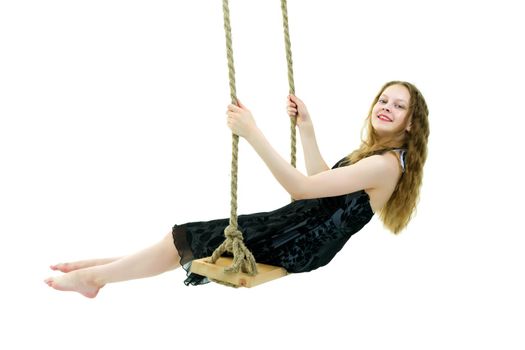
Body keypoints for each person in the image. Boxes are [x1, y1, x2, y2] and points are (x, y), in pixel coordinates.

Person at [44, 80, 429, 297]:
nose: (386, 107)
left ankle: (95, 279)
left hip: (298, 240)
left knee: (189, 238)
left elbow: (300, 186)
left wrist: (252, 133)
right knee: (181, 238)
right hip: (296, 225)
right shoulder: (379, 156)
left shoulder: (382, 165)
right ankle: (101, 270)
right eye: (383, 99)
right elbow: (318, 191)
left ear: (411, 123)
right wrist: (307, 129)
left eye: (398, 107)